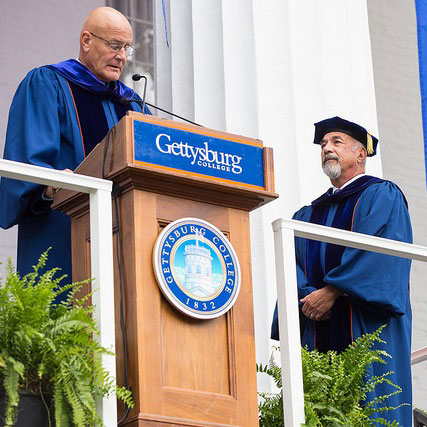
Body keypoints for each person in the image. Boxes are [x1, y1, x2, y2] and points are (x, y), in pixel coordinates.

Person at [271, 116, 412, 426]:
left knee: (370, 405)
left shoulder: (381, 195)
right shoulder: (308, 214)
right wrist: (310, 298)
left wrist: (332, 291)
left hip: (363, 321)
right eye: (323, 145)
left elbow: (378, 252)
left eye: (336, 142)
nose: (327, 149)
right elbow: (290, 262)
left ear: (361, 154)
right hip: (317, 324)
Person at [0, 7, 150, 282]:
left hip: (124, 243)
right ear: (86, 41)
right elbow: (25, 164)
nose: (121, 56)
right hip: (61, 235)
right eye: (114, 45)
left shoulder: (132, 106)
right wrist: (50, 183)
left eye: (126, 48)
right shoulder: (48, 84)